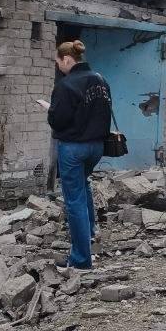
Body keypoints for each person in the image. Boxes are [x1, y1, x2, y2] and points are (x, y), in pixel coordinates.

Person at [47, 40, 112, 270]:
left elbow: (58, 120)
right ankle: (91, 233)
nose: (58, 66)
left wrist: (50, 110)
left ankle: (81, 259)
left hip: (74, 148)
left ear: (67, 59)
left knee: (74, 200)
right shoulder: (100, 80)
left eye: (58, 62)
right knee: (83, 185)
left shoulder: (65, 85)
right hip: (97, 147)